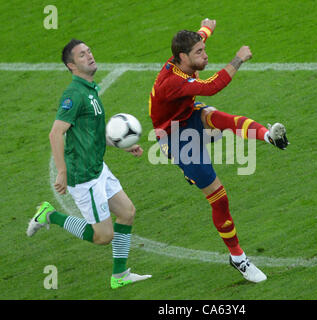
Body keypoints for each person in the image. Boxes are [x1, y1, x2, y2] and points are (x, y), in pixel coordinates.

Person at [149, 19, 289, 283]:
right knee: (219, 198)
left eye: (203, 49)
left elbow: (197, 41)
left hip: (187, 114)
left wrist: (206, 30)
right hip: (175, 137)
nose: (206, 55)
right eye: (199, 53)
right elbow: (213, 85)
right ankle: (238, 258)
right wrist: (238, 59)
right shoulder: (173, 83)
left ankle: (269, 136)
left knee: (217, 118)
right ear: (183, 57)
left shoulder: (181, 58)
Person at [27, 39, 151, 289]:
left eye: (89, 51)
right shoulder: (74, 95)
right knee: (103, 236)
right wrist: (62, 171)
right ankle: (49, 214)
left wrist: (122, 145)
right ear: (71, 66)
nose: (90, 56)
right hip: (84, 177)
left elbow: (92, 133)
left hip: (98, 168)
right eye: (82, 55)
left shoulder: (90, 90)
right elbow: (55, 133)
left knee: (127, 213)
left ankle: (120, 276)